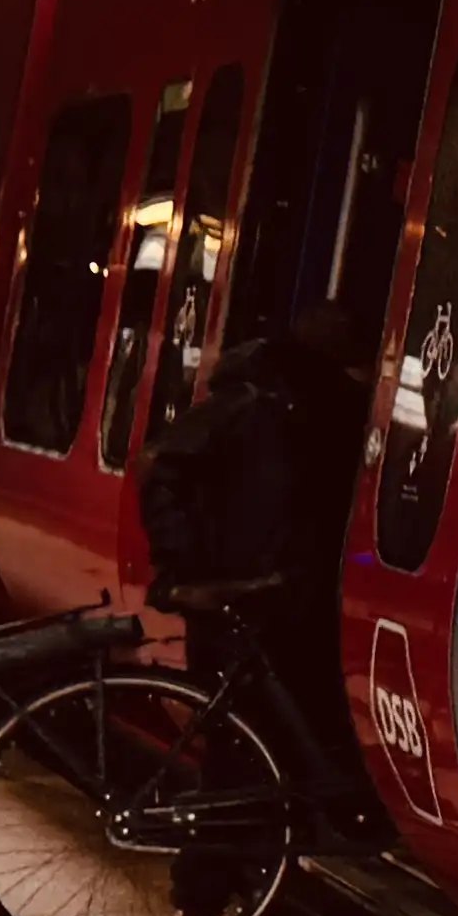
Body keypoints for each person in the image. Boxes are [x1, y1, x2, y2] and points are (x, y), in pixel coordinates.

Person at [138, 301, 380, 822]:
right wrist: (183, 569)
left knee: (260, 745)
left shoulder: (314, 406)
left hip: (286, 593)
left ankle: (235, 869)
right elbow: (161, 470)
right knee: (238, 749)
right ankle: (204, 887)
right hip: (242, 595)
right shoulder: (253, 402)